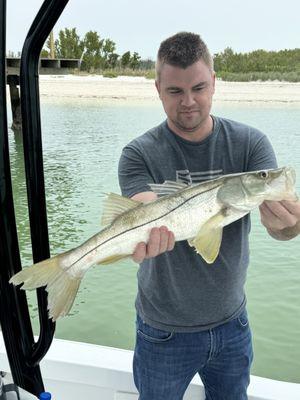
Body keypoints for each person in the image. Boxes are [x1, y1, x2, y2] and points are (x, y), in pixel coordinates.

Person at [118, 32, 300, 400]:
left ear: (214, 81)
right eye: (174, 92)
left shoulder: (250, 144)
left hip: (233, 323)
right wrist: (142, 237)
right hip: (162, 331)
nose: (188, 102)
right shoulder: (137, 153)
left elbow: (280, 229)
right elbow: (144, 210)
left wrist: (290, 223)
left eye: (199, 87)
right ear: (157, 88)